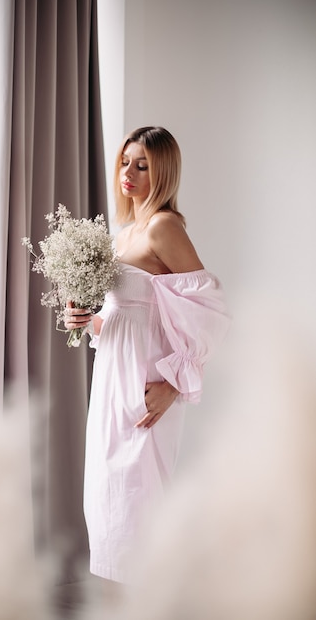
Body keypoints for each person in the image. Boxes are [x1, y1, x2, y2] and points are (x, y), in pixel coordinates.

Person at [64, 126, 230, 583]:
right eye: (125, 161)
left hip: (145, 386)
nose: (130, 173)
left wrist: (175, 382)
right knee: (108, 494)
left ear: (164, 172)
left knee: (138, 501)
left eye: (143, 165)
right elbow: (126, 316)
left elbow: (211, 312)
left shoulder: (162, 226)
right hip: (111, 381)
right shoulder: (123, 233)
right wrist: (88, 320)